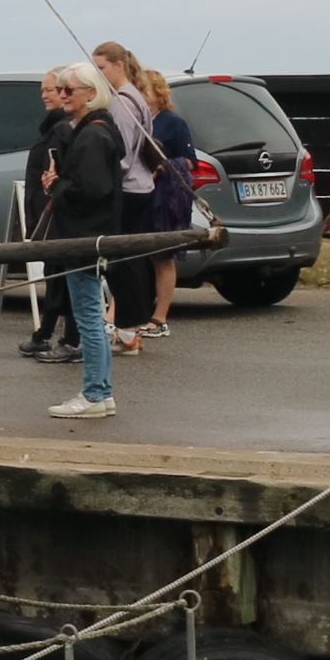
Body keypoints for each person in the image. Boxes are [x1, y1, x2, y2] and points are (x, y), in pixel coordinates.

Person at [28, 63, 125, 419]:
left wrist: (57, 185)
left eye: (70, 90)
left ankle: (95, 393)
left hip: (84, 236)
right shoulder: (92, 132)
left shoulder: (93, 136)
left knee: (88, 318)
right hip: (89, 234)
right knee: (90, 316)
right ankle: (103, 391)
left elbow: (92, 190)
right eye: (61, 89)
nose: (63, 95)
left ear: (91, 93)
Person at [92, 43, 167, 349]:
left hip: (127, 188)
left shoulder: (122, 103)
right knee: (131, 260)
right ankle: (130, 329)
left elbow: (121, 155)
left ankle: (127, 330)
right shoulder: (136, 96)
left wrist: (101, 180)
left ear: (119, 65)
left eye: (101, 68)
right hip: (141, 185)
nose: (99, 74)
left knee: (122, 263)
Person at [135, 67, 197, 337]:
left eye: (144, 90)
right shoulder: (134, 120)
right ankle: (132, 311)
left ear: (158, 93)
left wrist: (162, 168)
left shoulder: (172, 122)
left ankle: (160, 317)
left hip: (164, 196)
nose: (141, 96)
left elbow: (190, 161)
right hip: (138, 194)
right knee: (135, 255)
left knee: (162, 257)